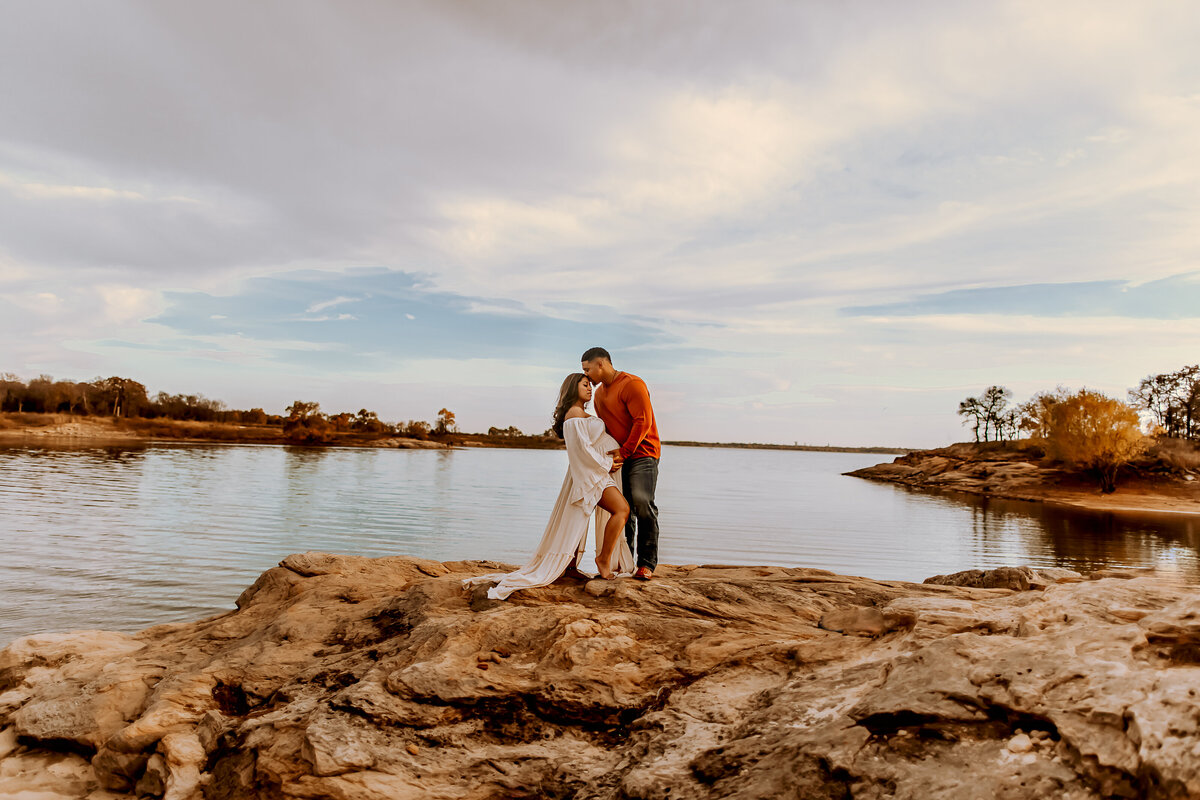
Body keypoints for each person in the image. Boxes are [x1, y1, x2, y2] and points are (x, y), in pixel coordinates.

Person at [465, 373, 635, 600]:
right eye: (585, 385)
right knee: (621, 510)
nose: (590, 388)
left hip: (595, 473)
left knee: (577, 519)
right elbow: (580, 451)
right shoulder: (573, 414)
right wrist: (607, 462)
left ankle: (571, 566)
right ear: (572, 388)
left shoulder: (581, 413)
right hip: (591, 475)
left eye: (590, 385)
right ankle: (603, 560)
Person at [580, 347, 661, 581]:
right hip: (618, 457)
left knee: (642, 502)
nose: (586, 375)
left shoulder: (632, 384)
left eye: (588, 369)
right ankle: (624, 562)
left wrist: (624, 454)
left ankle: (647, 563)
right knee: (624, 508)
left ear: (601, 364)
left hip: (643, 453)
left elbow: (642, 422)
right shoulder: (598, 395)